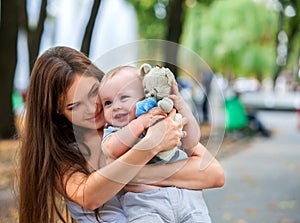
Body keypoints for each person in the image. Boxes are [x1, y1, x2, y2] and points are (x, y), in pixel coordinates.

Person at [18, 46, 225, 223]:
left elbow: (213, 174)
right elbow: (90, 195)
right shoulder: (62, 154)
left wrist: (124, 173)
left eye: (93, 93)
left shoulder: (138, 118)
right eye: (74, 106)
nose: (92, 108)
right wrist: (151, 146)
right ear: (57, 112)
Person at [99, 65, 212, 222]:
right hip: (145, 205)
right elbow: (110, 149)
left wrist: (180, 104)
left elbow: (192, 141)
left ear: (145, 97)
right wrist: (140, 123)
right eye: (107, 103)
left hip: (187, 198)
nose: (116, 106)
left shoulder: (163, 117)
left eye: (123, 98)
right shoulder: (114, 131)